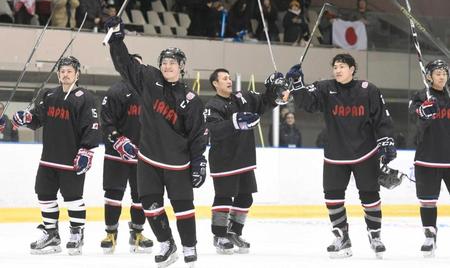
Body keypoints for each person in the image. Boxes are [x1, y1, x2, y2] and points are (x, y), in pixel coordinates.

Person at [105, 16, 208, 267]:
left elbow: (198, 134)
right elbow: (126, 65)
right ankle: (166, 243)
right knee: (150, 205)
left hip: (178, 164)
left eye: (172, 62)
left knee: (183, 207)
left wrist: (198, 162)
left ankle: (189, 245)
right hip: (148, 159)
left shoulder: (191, 99)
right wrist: (116, 38)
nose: (167, 65)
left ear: (181, 66)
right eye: (164, 61)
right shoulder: (149, 80)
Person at [286, 53, 396, 259]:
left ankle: (375, 235)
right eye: (335, 66)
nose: (337, 70)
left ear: (352, 69)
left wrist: (387, 141)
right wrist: (297, 84)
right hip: (335, 154)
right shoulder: (325, 88)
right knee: (333, 197)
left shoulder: (368, 89)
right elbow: (308, 104)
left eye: (342, 66)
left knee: (370, 195)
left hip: (365, 151)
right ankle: (342, 237)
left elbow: (381, 117)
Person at [11, 56, 101, 255]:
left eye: (69, 71)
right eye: (62, 71)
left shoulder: (85, 97)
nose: (65, 74)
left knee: (72, 197)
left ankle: (77, 233)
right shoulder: (49, 95)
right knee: (44, 194)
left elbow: (92, 125)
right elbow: (37, 119)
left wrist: (86, 149)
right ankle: (51, 234)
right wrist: (26, 118)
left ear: (77, 74)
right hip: (49, 158)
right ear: (58, 74)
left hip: (72, 160)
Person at [205, 68, 289, 254]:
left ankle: (233, 232)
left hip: (244, 158)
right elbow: (214, 129)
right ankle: (219, 235)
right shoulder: (213, 105)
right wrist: (236, 122)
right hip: (224, 160)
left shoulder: (242, 97)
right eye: (224, 78)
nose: (229, 81)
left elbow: (264, 102)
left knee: (245, 197)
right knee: (224, 198)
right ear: (215, 84)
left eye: (229, 77)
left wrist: (274, 89)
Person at [99, 57, 154, 254]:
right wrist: (117, 140)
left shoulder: (151, 92)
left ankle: (137, 233)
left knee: (141, 196)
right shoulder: (116, 92)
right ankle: (111, 233)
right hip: (117, 155)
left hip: (144, 155)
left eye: (139, 65)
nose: (135, 69)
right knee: (113, 195)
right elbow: (106, 122)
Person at [409, 59, 450, 257]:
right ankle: (429, 235)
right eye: (438, 73)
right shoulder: (421, 96)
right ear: (429, 77)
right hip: (427, 157)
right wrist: (423, 112)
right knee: (427, 201)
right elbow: (413, 115)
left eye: (444, 73)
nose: (442, 76)